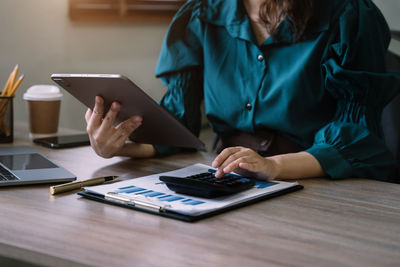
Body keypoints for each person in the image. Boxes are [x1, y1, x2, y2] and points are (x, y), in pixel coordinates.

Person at [85, 0, 400, 182]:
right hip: (228, 180)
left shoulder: (350, 16)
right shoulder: (201, 14)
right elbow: (179, 125)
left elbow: (356, 136)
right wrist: (121, 146)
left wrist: (274, 166)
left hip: (318, 186)